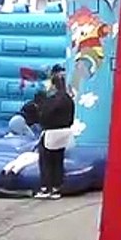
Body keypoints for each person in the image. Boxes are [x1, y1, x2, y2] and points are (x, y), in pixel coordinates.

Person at [34, 64, 75, 199]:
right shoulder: (68, 98)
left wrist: (41, 105)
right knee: (58, 160)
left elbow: (44, 115)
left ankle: (46, 188)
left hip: (52, 132)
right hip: (65, 132)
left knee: (46, 160)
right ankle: (57, 187)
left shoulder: (53, 100)